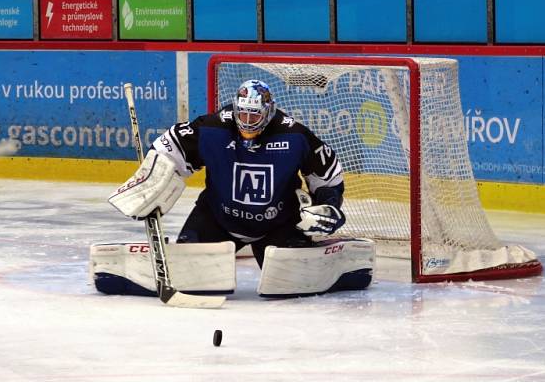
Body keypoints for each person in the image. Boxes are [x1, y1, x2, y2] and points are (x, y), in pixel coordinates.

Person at [108, 79, 373, 296]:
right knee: (192, 279)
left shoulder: (294, 135)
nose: (247, 120)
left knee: (290, 287)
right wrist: (151, 180)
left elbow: (326, 175)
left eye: (254, 114)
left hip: (278, 225)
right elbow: (170, 147)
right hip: (217, 219)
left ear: (268, 112)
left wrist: (327, 205)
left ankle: (331, 251)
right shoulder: (213, 127)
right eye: (242, 113)